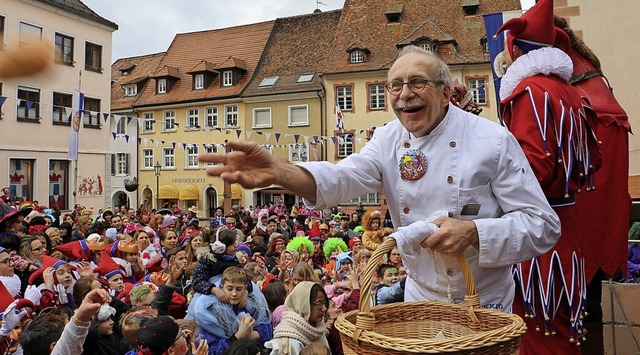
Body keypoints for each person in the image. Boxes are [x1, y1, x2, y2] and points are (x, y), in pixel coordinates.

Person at [200, 44, 560, 313]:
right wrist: (283, 172)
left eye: (418, 82)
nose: (405, 94)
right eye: (394, 86)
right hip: (420, 300)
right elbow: (344, 177)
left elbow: (543, 225)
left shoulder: (493, 141)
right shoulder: (388, 139)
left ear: (447, 93)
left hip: (486, 304)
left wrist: (475, 232)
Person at [495, 0, 600, 353]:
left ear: (516, 50)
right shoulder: (571, 92)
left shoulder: (529, 93)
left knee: (536, 328)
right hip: (566, 223)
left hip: (536, 228)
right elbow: (592, 160)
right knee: (560, 324)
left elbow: (532, 168)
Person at [265, 281, 330, 355]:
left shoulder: (317, 330)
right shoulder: (289, 342)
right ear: (304, 305)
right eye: (319, 304)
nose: (324, 308)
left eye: (324, 302)